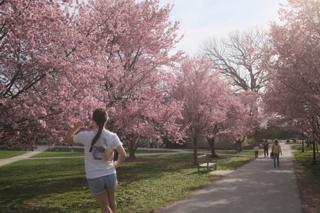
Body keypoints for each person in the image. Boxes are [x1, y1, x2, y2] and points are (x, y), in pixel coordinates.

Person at [64, 108, 126, 213]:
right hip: (110, 173)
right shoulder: (113, 136)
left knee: (105, 207)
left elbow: (67, 139)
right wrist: (116, 164)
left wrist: (76, 127)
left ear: (93, 120)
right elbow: (123, 154)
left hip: (94, 176)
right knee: (112, 202)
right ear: (106, 120)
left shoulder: (85, 135)